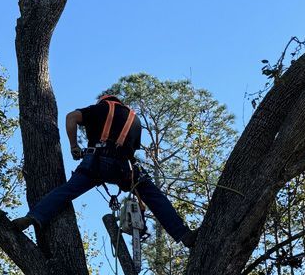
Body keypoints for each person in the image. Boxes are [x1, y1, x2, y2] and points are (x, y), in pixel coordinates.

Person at [12, 94, 197, 247]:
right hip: (125, 168)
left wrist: (74, 146)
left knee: (67, 191)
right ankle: (183, 234)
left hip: (96, 162)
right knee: (154, 195)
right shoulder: (135, 120)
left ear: (103, 100)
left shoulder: (100, 108)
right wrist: (139, 201)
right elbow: (131, 152)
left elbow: (71, 117)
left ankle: (32, 218)